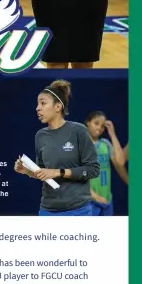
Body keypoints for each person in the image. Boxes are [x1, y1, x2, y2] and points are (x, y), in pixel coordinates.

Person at [14, 79, 100, 216]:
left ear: (58, 106)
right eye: (37, 104)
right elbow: (44, 172)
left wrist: (59, 172)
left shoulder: (79, 131)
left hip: (78, 211)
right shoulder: (40, 136)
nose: (37, 108)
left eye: (43, 103)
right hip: (47, 211)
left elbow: (93, 170)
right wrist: (27, 171)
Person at [84, 111, 128, 215]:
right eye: (96, 123)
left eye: (103, 126)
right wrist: (95, 197)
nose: (99, 128)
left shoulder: (105, 144)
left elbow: (120, 161)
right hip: (90, 201)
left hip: (107, 200)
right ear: (88, 123)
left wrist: (112, 135)